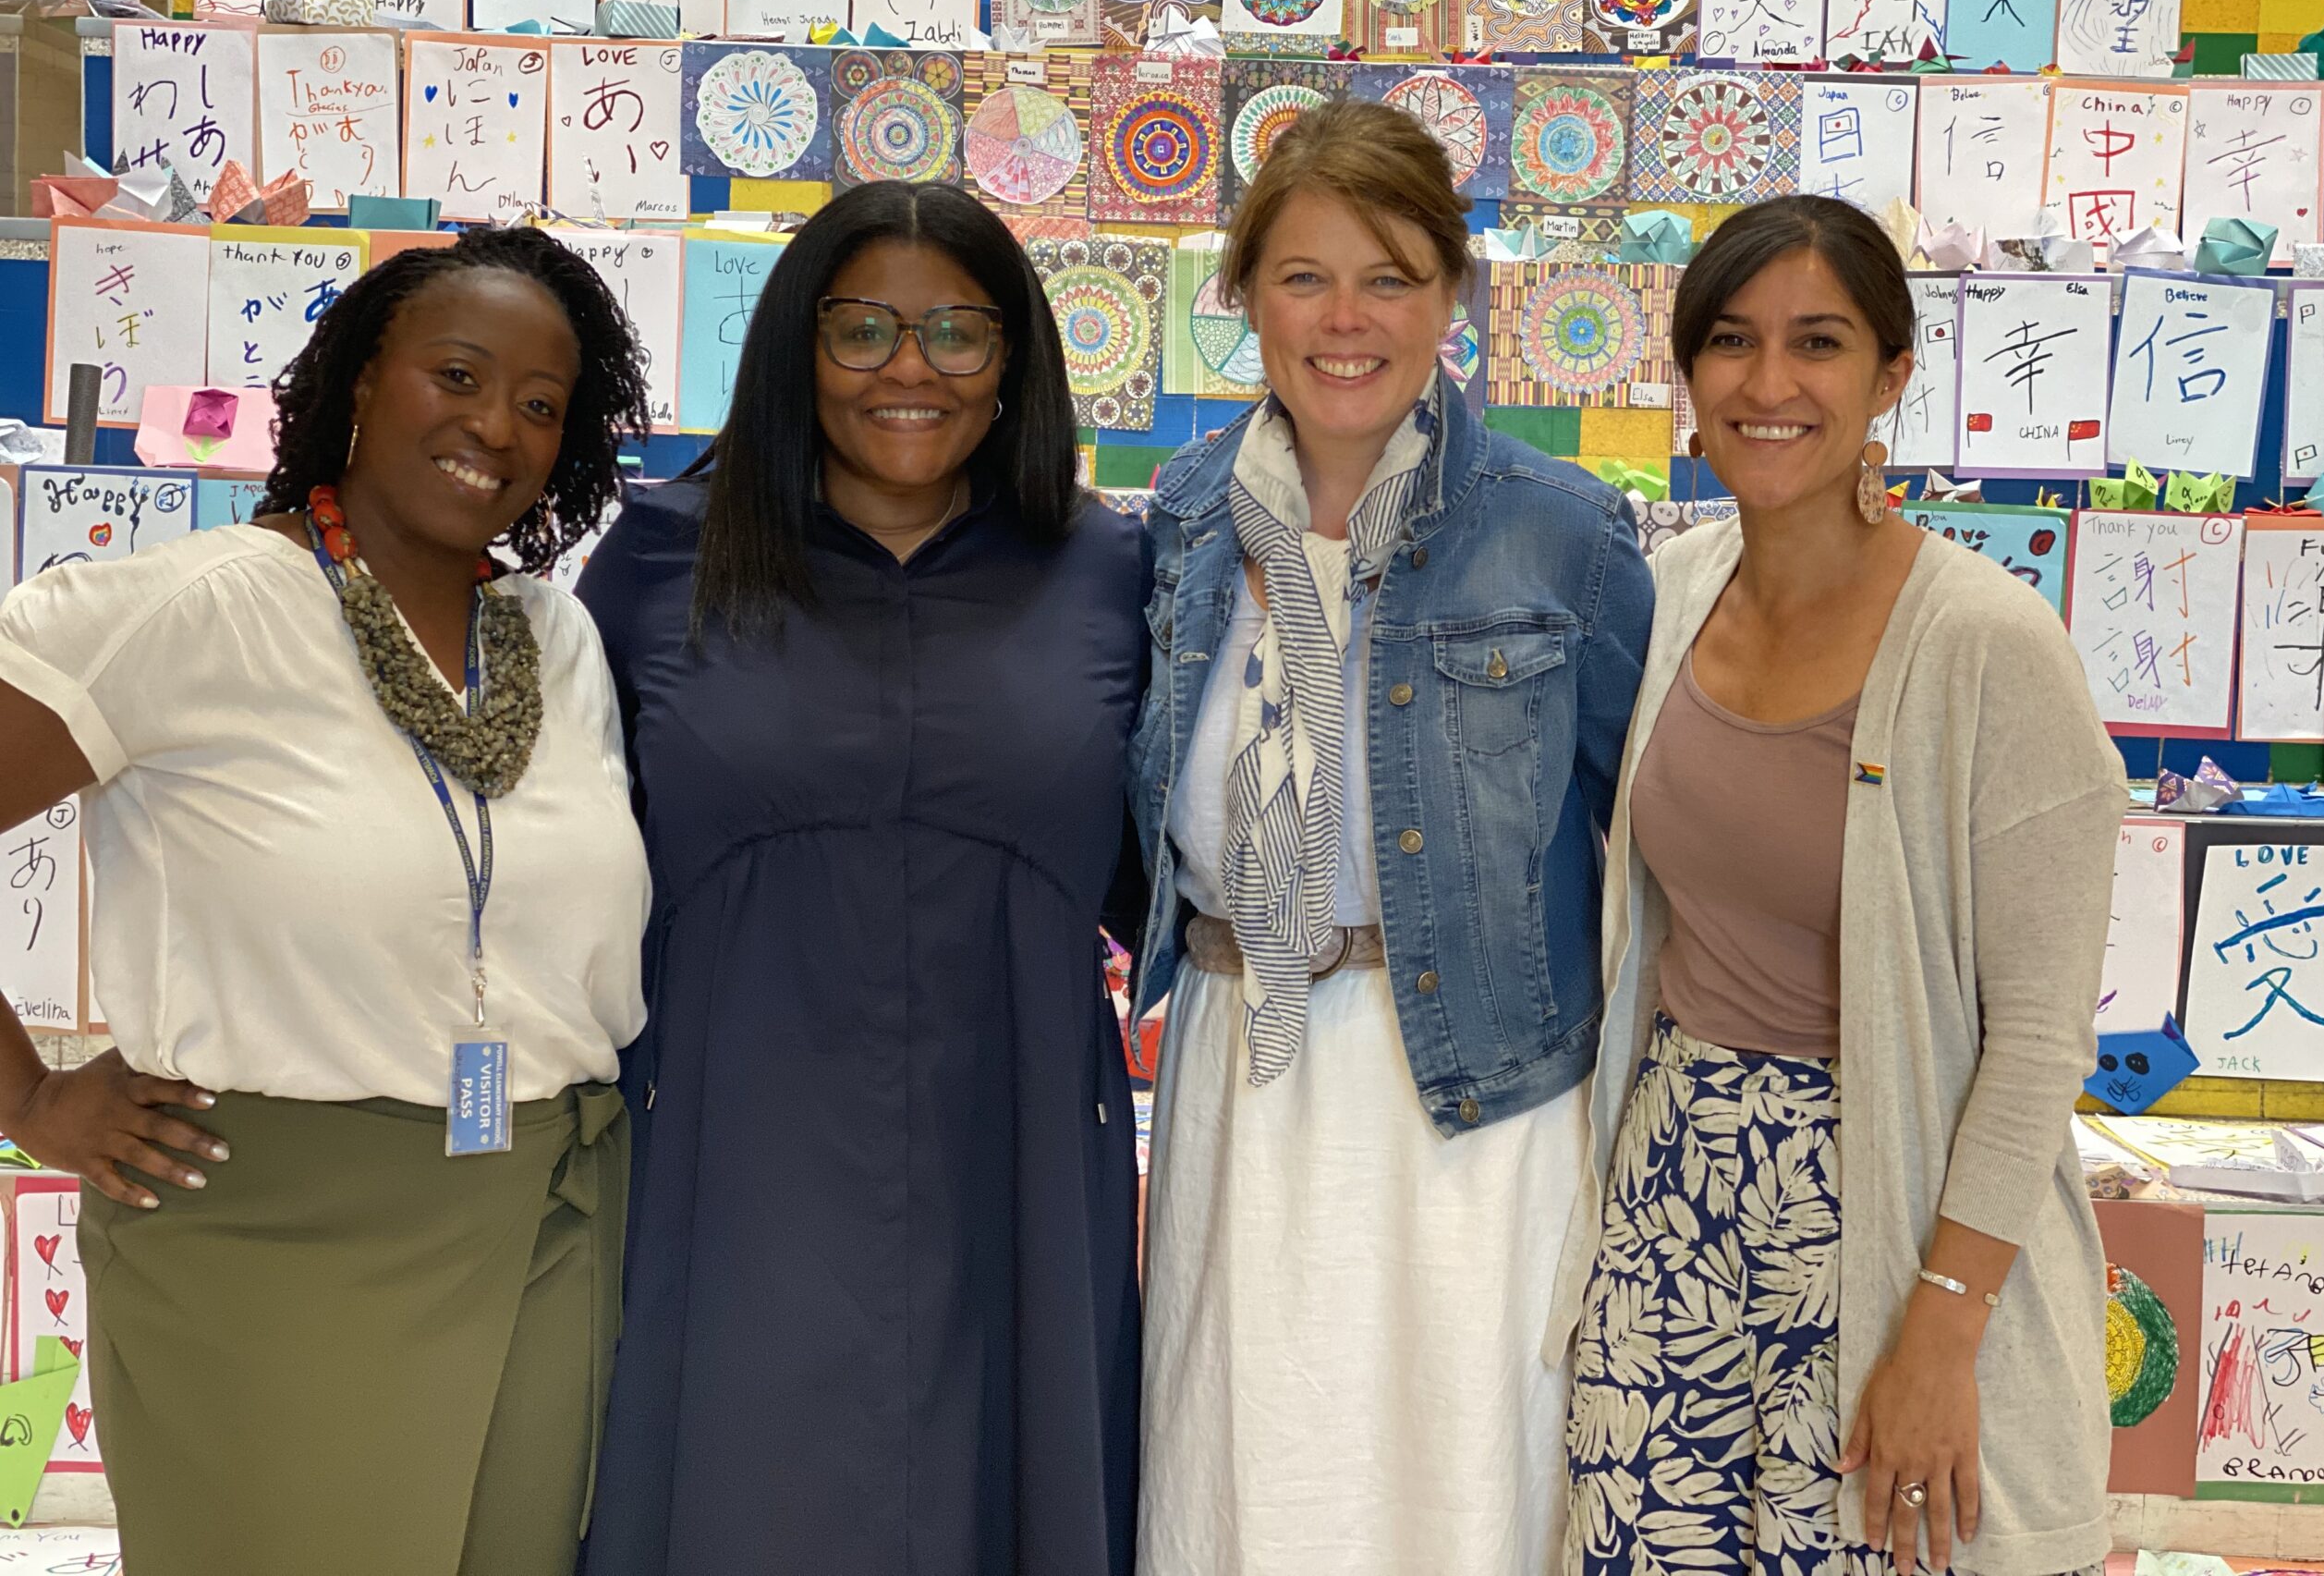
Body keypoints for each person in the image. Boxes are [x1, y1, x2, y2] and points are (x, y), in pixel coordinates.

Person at [0, 226, 654, 1576]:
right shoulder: (199, 608)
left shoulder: (557, 638)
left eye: (542, 406)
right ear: (362, 382)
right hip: (276, 1238)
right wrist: (28, 1099)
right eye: (458, 375)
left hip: (553, 1220)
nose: (497, 427)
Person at [578, 181, 1149, 1576]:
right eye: (865, 328)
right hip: (725, 1155)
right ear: (795, 347)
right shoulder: (663, 559)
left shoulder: (1112, 569)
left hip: (1017, 1150)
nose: (911, 367)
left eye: (958, 330)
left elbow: (1174, 870)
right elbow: (552, 860)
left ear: (1015, 357)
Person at [1126, 98, 1654, 1575]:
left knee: (1459, 1486)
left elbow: (1647, 845)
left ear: (1454, 297)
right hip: (1250, 1066)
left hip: (1474, 1097)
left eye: (1392, 278)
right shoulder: (1178, 524)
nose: (1344, 320)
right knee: (1242, 1480)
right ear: (1239, 297)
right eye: (1302, 277)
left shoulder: (1563, 534)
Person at [1557, 194, 2120, 1576]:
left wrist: (1943, 1324)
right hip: (1672, 1189)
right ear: (1686, 378)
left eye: (1819, 342)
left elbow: (2041, 1035)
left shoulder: (1989, 645)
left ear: (1891, 378)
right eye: (1731, 342)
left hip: (1885, 1199)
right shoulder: (1675, 591)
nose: (1769, 383)